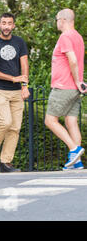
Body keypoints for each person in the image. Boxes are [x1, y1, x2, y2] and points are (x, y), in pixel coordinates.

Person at [0, 13, 30, 173]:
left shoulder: (19, 42)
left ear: (14, 26)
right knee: (6, 122)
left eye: (9, 23)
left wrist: (24, 85)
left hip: (17, 92)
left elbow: (24, 64)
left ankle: (6, 162)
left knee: (15, 128)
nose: (6, 26)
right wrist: (13, 78)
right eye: (3, 23)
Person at [44, 9, 86, 170]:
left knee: (50, 120)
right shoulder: (78, 37)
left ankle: (74, 149)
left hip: (64, 86)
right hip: (75, 88)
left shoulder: (65, 36)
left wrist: (76, 80)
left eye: (56, 19)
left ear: (63, 20)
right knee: (71, 121)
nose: (56, 22)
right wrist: (79, 83)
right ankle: (77, 162)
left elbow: (73, 61)